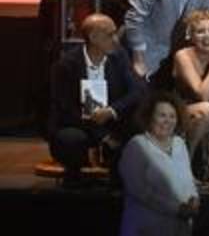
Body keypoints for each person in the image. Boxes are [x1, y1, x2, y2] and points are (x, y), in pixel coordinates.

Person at [49, 14, 143, 188]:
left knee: (134, 128)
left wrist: (112, 110)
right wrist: (101, 135)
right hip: (79, 125)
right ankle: (74, 181)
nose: (116, 39)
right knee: (71, 139)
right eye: (110, 34)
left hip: (111, 120)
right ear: (93, 37)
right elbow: (65, 109)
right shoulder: (66, 65)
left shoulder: (120, 56)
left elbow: (137, 90)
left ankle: (119, 186)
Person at [118, 92, 198, 236]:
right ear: (149, 118)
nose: (167, 120)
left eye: (172, 116)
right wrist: (176, 209)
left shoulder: (179, 144)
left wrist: (194, 199)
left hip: (180, 228)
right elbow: (140, 191)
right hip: (146, 228)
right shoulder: (136, 145)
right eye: (162, 115)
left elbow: (189, 179)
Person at [171, 10, 209, 165]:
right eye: (200, 31)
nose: (207, 36)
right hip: (180, 111)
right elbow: (202, 94)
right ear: (191, 35)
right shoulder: (183, 55)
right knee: (207, 109)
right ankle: (185, 164)